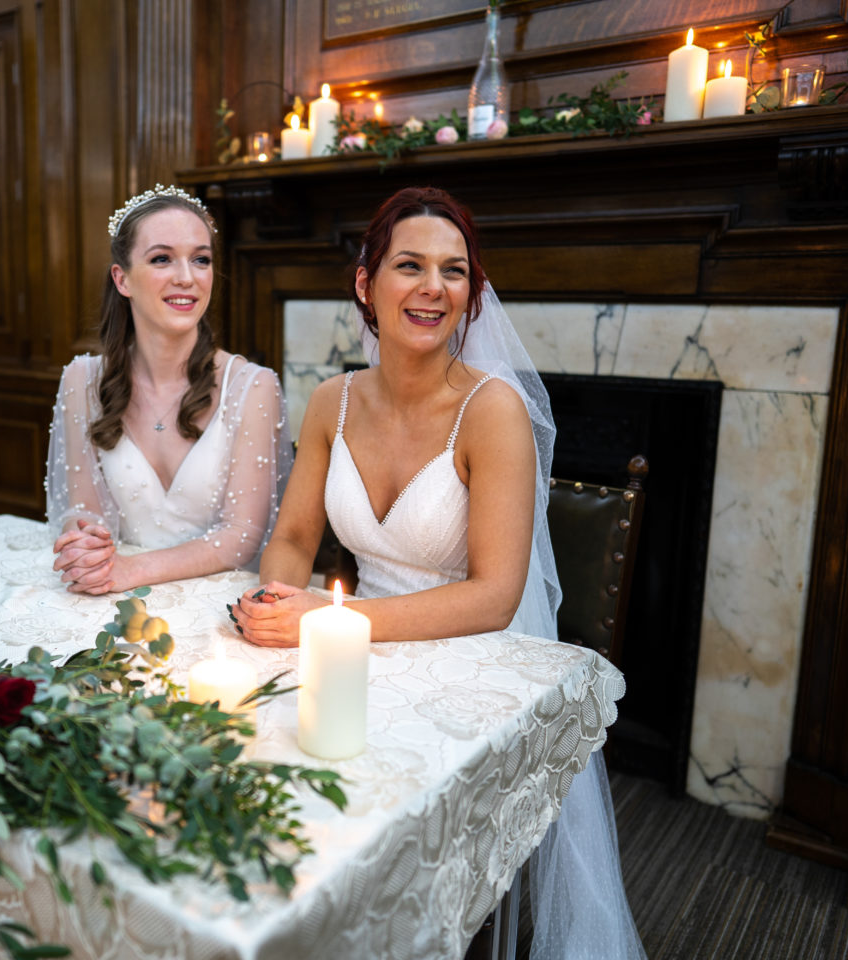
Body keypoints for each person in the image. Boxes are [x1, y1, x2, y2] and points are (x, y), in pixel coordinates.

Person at [232, 187, 645, 959]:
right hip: (357, 643)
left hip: (468, 652)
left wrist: (331, 618)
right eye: (410, 266)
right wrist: (277, 596)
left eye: (454, 272)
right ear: (366, 284)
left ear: (472, 295)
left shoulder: (493, 411)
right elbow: (291, 535)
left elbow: (495, 597)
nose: (433, 288)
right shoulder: (332, 400)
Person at [46, 185, 290, 594]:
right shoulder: (81, 381)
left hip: (211, 604)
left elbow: (243, 534)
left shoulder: (252, 386)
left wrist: (131, 571)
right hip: (112, 596)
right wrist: (86, 546)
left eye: (201, 260)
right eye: (162, 259)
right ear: (122, 279)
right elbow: (82, 509)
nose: (187, 278)